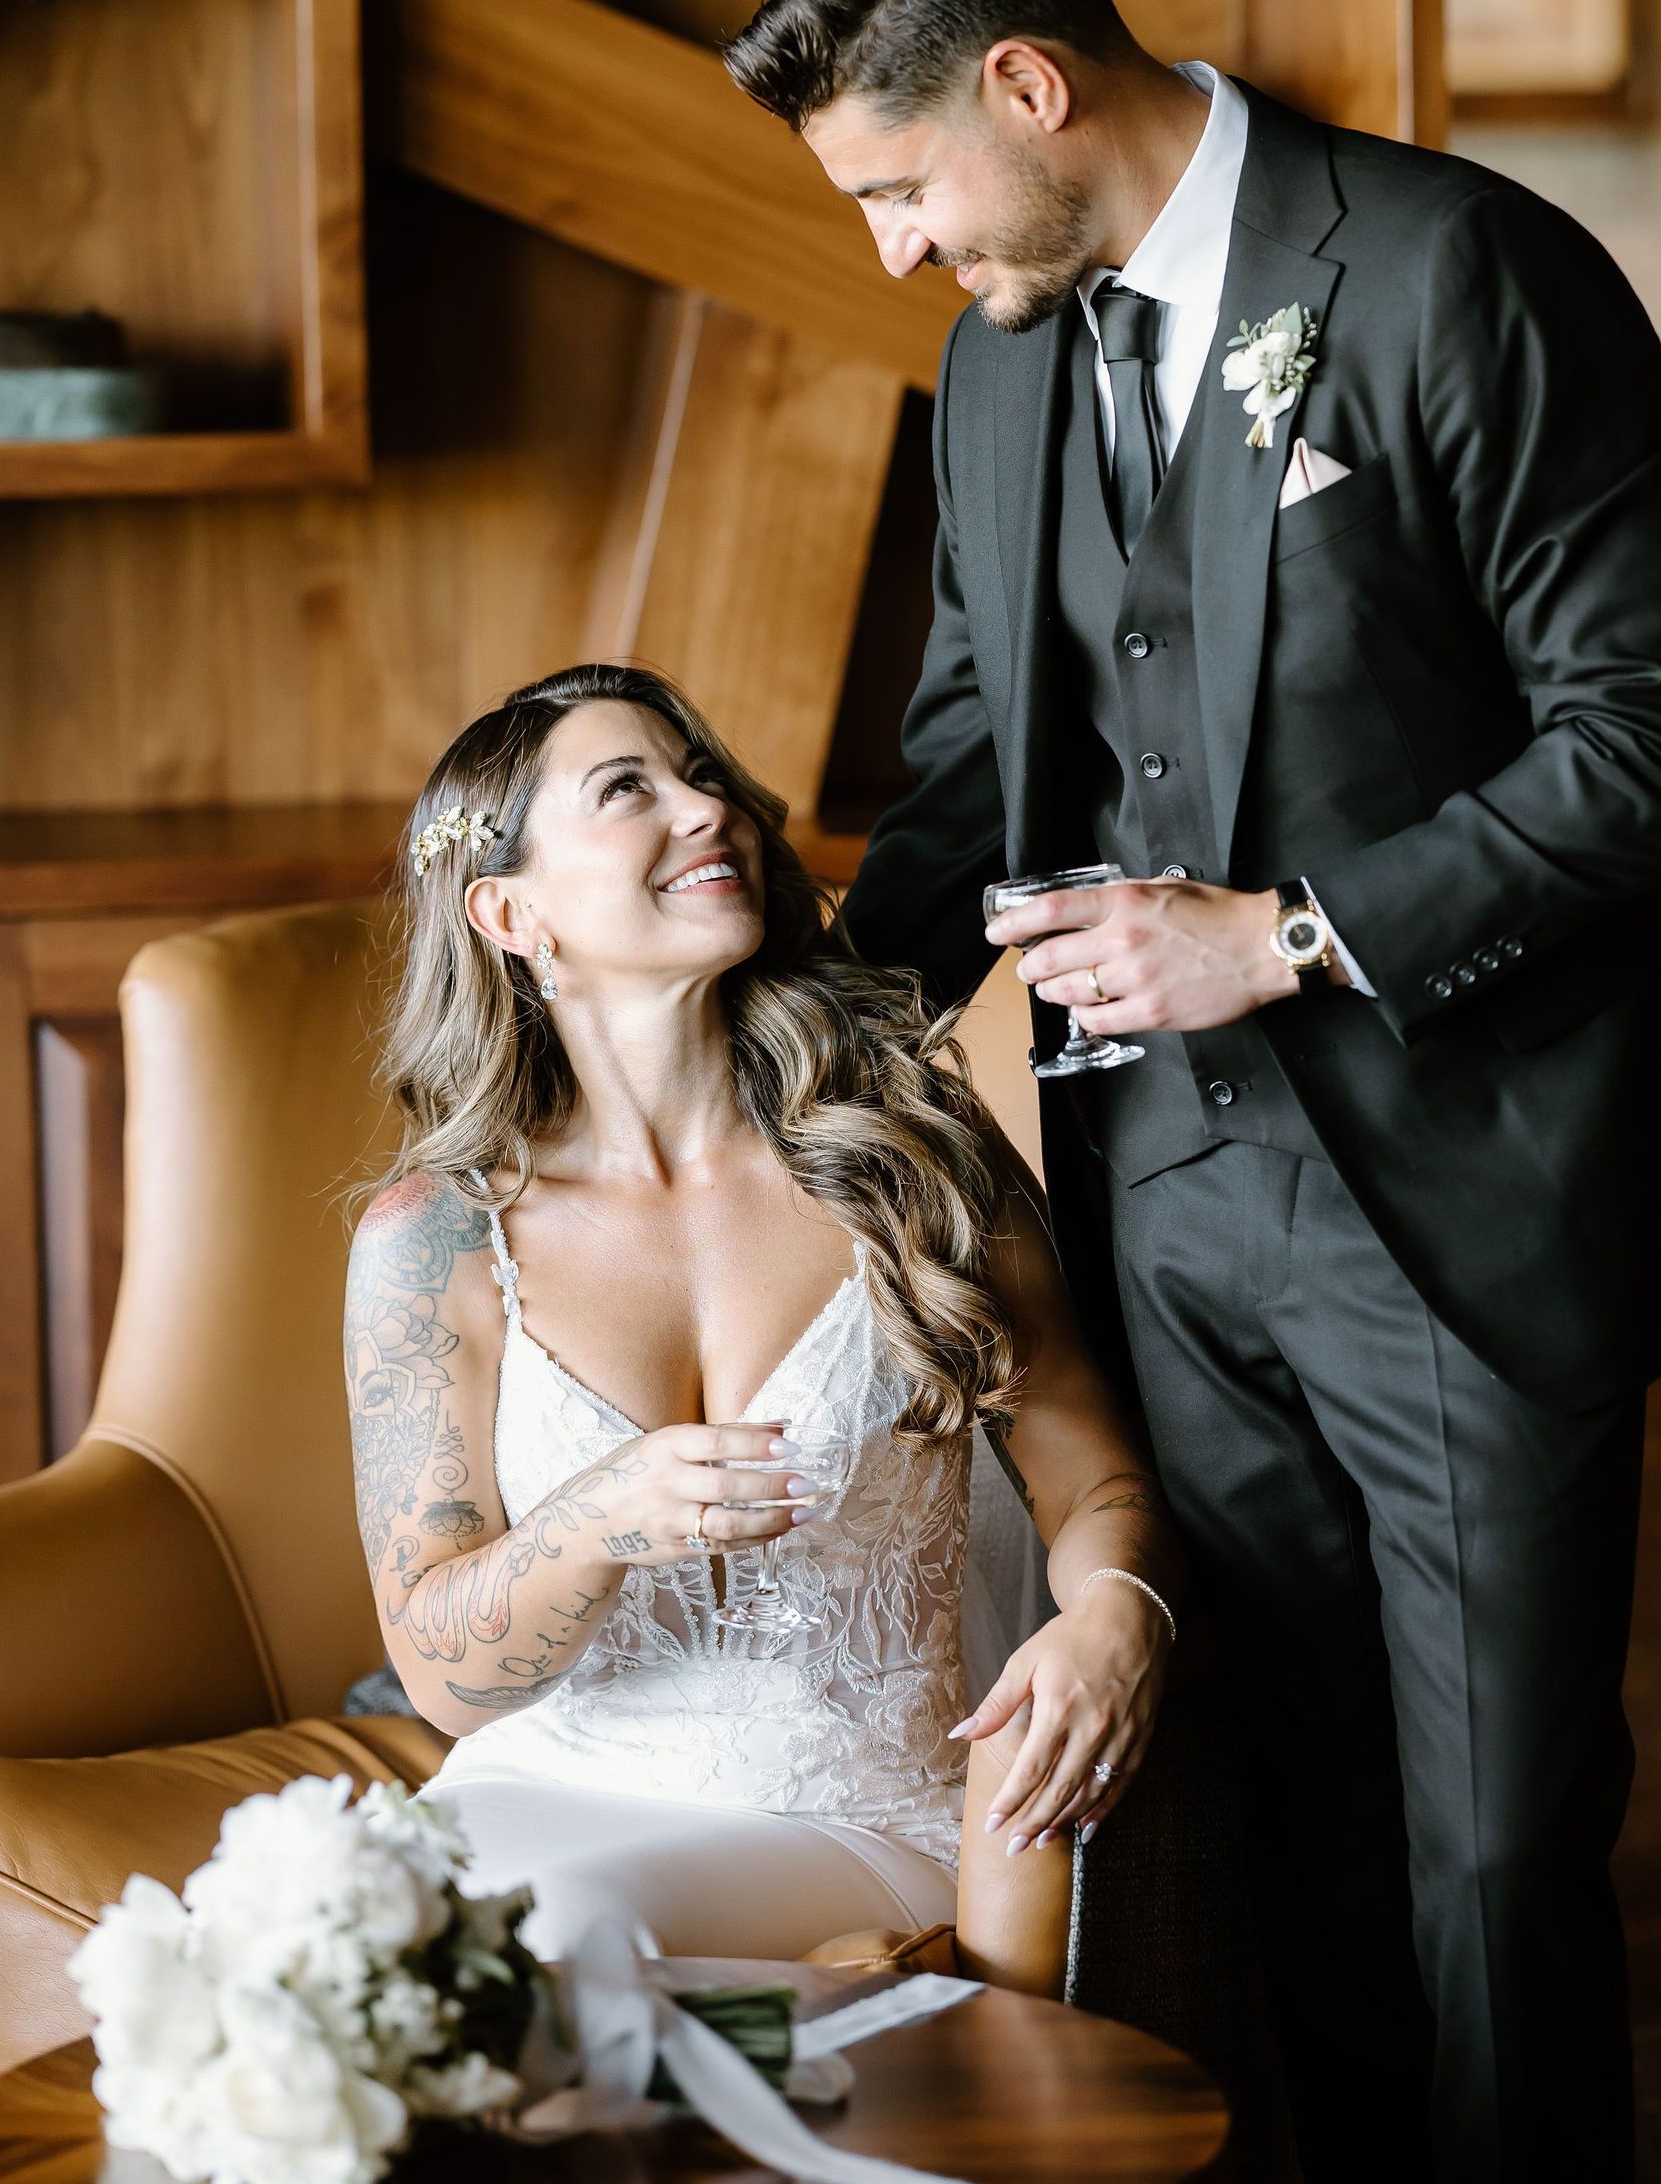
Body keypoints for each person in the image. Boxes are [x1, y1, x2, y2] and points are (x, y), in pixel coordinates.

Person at [721, 0, 1661, 2184]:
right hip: (1156, 1215)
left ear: (1028, 85)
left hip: (1466, 1186)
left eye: (900, 188)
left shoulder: (1448, 272)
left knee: (1498, 1850)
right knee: (1302, 1820)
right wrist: (766, 1052)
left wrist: (1289, 932)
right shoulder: (1004, 355)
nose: (896, 252)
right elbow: (980, 746)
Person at [343, 661, 1178, 1975]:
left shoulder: (909, 1156)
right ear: (508, 911)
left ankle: (725, 2070)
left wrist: (1119, 1612)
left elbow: (1093, 1481)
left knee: (552, 1949)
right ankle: (782, 2070)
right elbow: (447, 1677)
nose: (706, 810)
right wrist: (600, 1519)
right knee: (358, 1948)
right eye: (630, 789)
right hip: (534, 1798)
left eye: (706, 777)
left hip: (853, 1814)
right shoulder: (434, 1239)